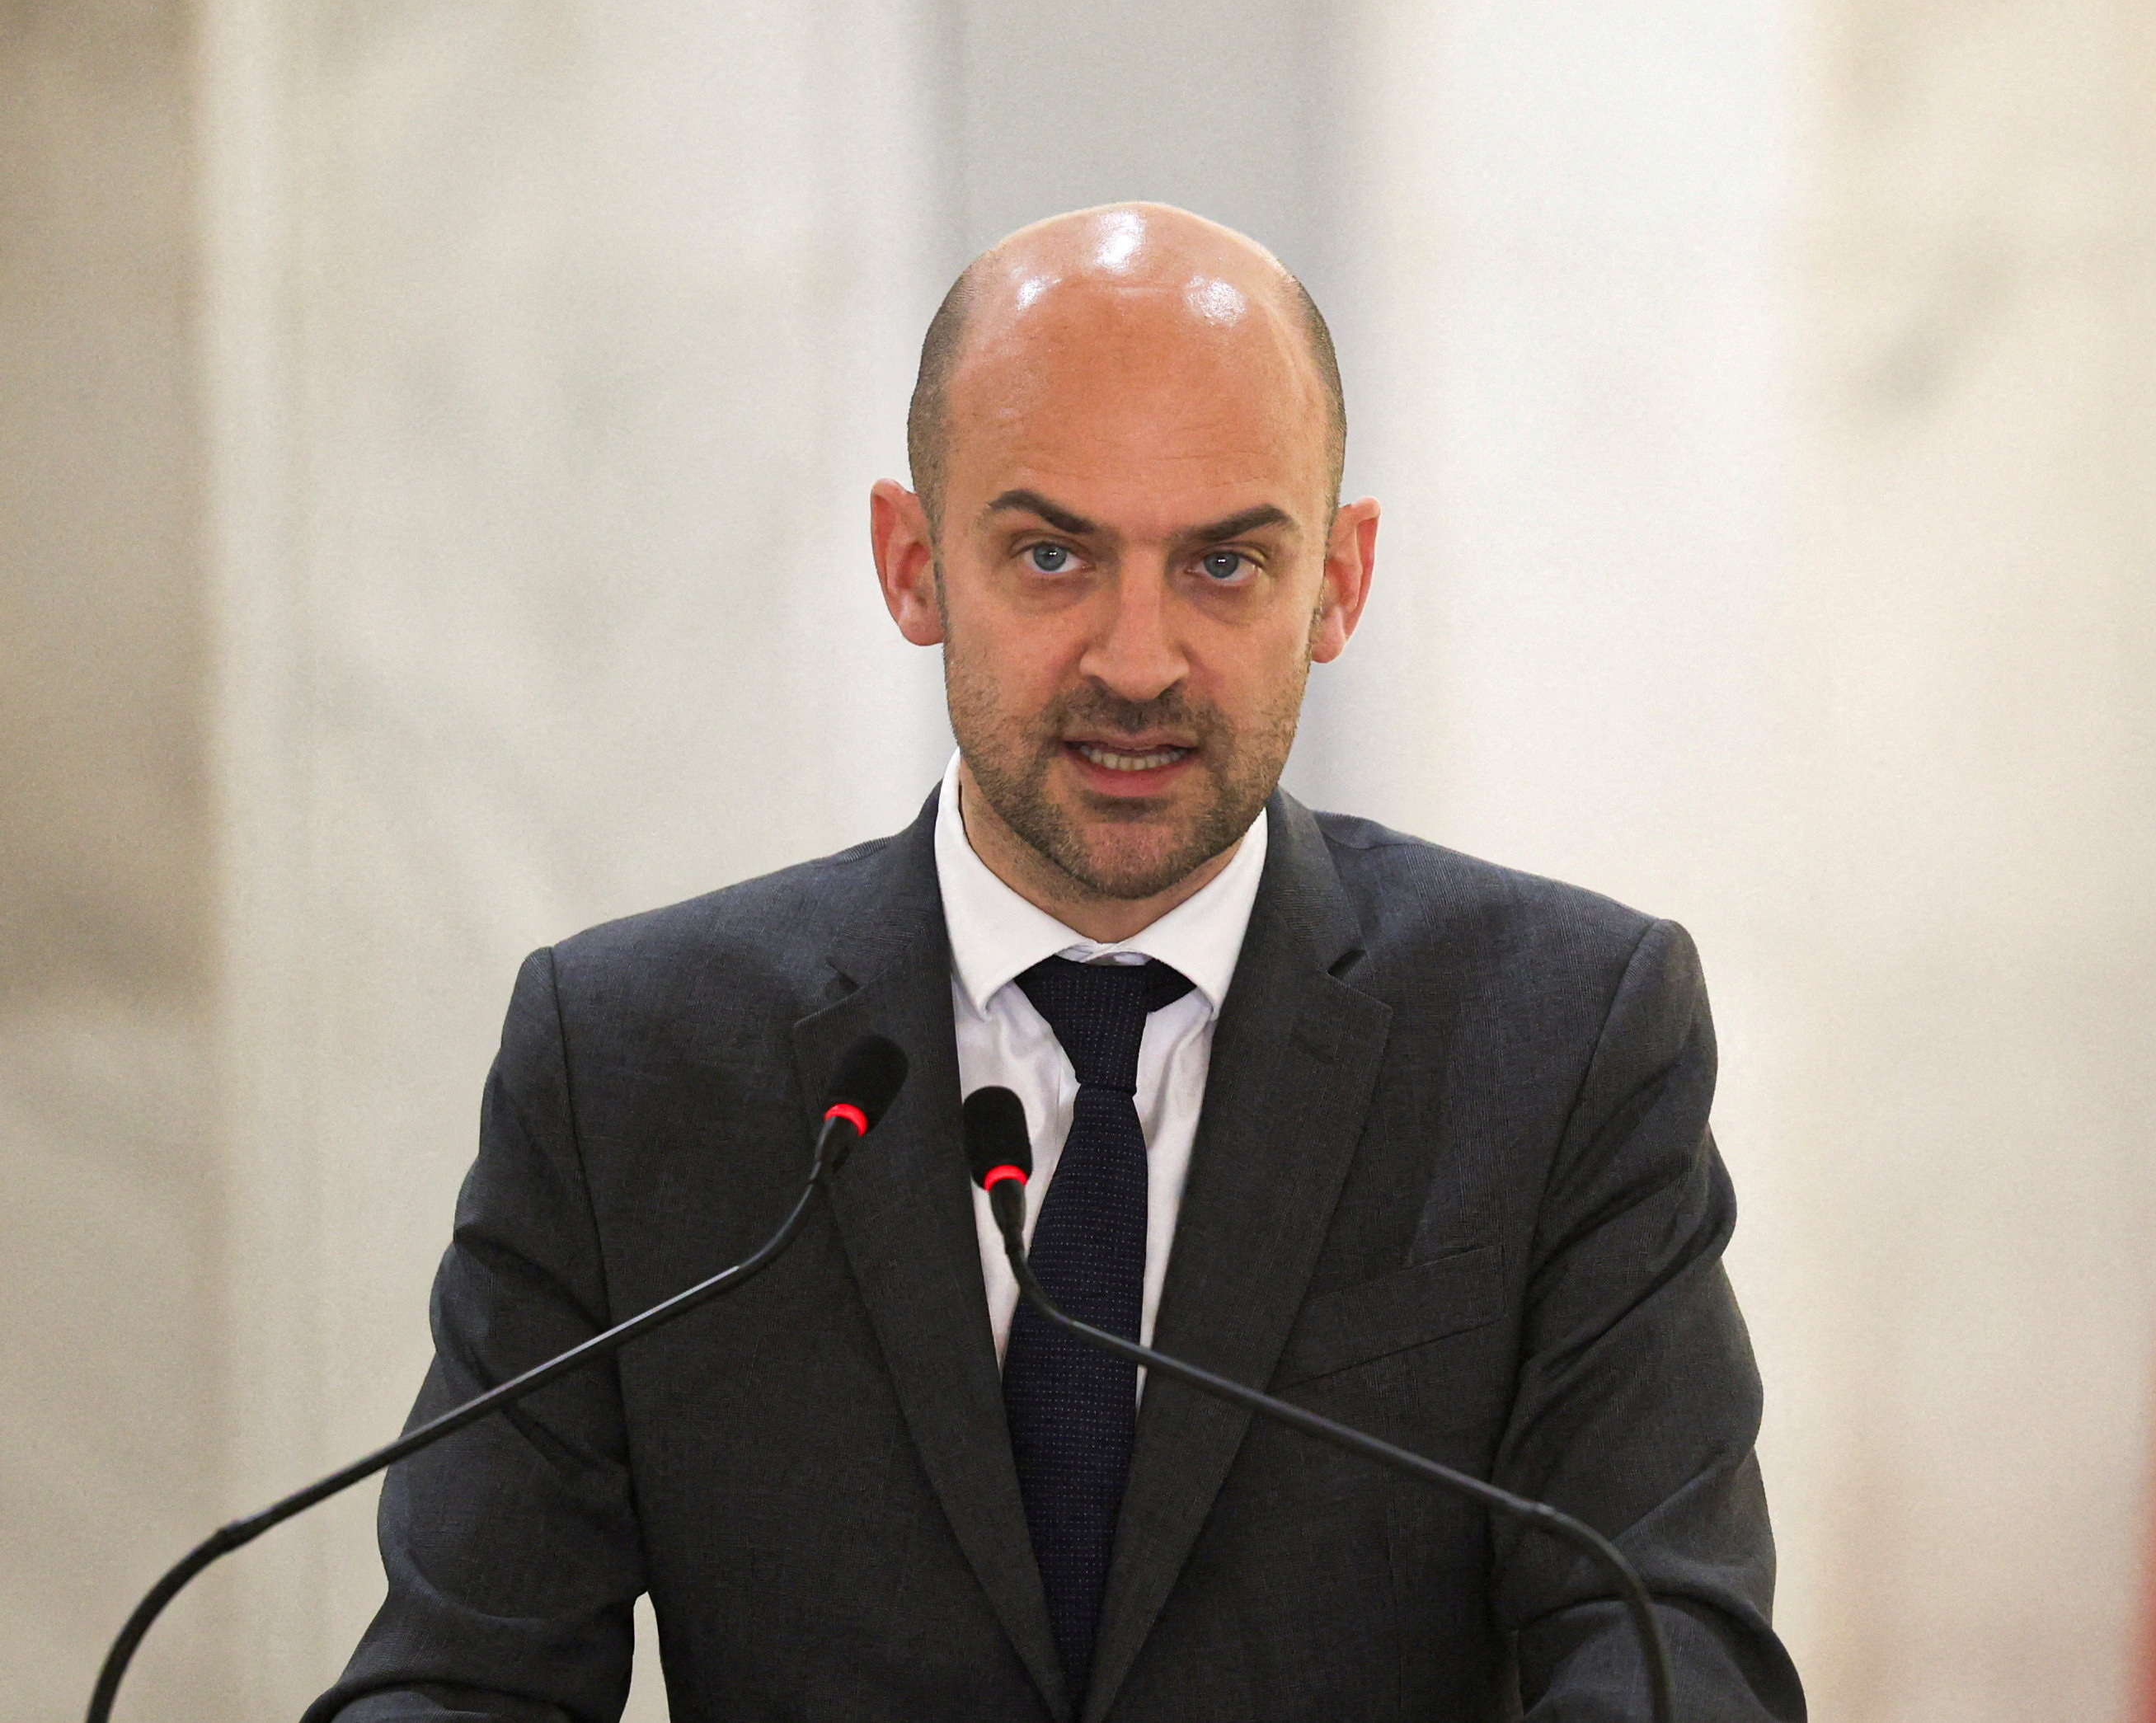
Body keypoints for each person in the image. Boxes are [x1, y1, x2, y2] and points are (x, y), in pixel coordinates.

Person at [308, 203, 1802, 1722]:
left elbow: (1670, 1646)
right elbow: (459, 1676)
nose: (1137, 660)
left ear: (1338, 584)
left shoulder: (1564, 1041)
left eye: (1223, 564)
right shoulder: (630, 1063)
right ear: (911, 565)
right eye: (1050, 554)